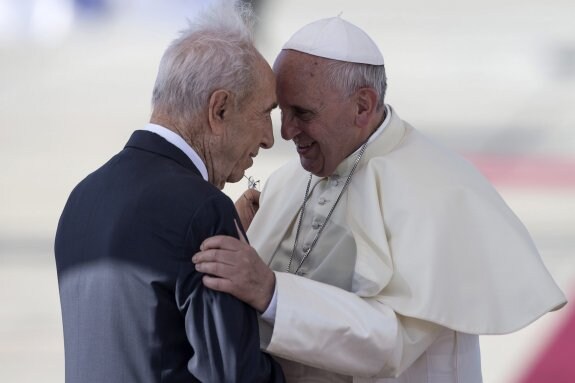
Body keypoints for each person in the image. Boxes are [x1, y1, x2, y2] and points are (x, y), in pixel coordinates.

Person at [192, 15, 567, 382]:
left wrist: (271, 291)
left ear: (362, 106)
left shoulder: (436, 192)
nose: (286, 133)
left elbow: (391, 346)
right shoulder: (287, 181)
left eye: (302, 113)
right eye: (281, 112)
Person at [54, 1, 284, 382]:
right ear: (220, 109)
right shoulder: (205, 211)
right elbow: (232, 374)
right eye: (265, 113)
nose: (269, 138)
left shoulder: (82, 197)